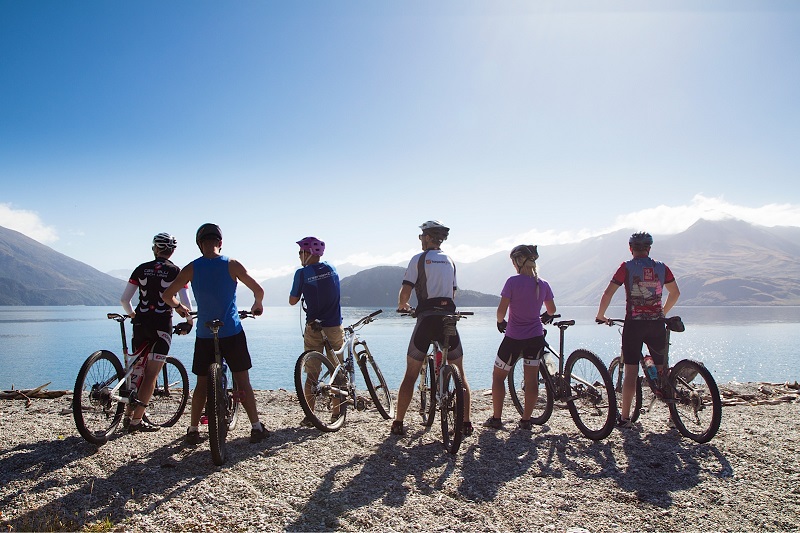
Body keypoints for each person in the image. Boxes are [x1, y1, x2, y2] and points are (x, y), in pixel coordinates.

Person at [162, 223, 270, 445]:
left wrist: (180, 309)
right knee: (242, 380)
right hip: (231, 330)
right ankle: (256, 427)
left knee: (202, 382)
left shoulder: (191, 268)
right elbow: (258, 290)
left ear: (200, 244)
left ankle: (192, 430)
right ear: (220, 243)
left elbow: (167, 295)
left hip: (204, 333)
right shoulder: (232, 264)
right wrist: (257, 305)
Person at [392, 220, 473, 437]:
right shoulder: (450, 260)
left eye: (421, 237)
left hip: (427, 320)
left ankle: (398, 422)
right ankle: (466, 422)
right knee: (460, 374)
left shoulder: (418, 259)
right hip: (448, 319)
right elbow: (452, 293)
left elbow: (406, 291)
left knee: (410, 373)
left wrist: (403, 305)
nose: (420, 240)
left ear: (428, 238)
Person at [595, 231, 680, 428]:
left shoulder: (626, 267)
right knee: (662, 369)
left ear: (630, 248)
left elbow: (608, 293)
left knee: (631, 372)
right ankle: (673, 416)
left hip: (634, 324)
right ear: (649, 248)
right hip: (657, 323)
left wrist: (601, 315)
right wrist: (662, 311)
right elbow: (675, 293)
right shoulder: (661, 267)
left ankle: (625, 419)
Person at [120, 232, 193, 433]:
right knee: (151, 374)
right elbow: (186, 304)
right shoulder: (176, 271)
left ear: (154, 248)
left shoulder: (140, 269)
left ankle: (127, 414)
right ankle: (136, 421)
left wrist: (133, 315)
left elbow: (124, 300)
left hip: (141, 323)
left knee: (136, 370)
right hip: (162, 325)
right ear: (172, 251)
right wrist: (188, 321)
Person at [484, 245, 557, 431]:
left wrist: (501, 322)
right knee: (531, 380)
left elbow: (501, 311)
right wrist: (546, 316)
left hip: (513, 339)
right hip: (535, 338)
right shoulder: (543, 284)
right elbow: (552, 310)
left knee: (498, 377)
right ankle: (526, 420)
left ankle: (497, 418)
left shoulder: (512, 282)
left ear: (518, 261)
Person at [289, 236, 344, 426]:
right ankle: (337, 413)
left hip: (314, 327)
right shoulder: (332, 268)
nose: (299, 257)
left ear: (308, 253)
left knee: (312, 373)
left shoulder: (302, 273)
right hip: (335, 326)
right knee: (336, 371)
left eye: (300, 253)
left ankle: (310, 415)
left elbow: (292, 300)